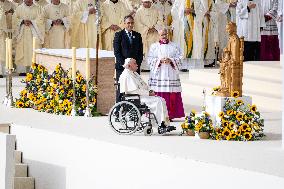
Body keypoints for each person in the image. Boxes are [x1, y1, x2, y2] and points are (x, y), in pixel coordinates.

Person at [119, 58, 175, 132]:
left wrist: (150, 90)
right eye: (135, 63)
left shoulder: (134, 73)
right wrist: (148, 93)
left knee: (161, 99)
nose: (137, 65)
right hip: (134, 97)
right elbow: (133, 90)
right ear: (129, 65)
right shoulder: (127, 74)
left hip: (140, 95)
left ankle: (164, 124)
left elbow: (144, 85)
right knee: (157, 101)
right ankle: (160, 125)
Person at [147, 28, 185, 121]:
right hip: (159, 74)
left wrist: (171, 60)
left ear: (168, 34)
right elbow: (149, 59)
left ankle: (170, 115)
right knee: (159, 94)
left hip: (171, 73)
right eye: (162, 35)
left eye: (165, 34)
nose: (164, 36)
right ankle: (157, 114)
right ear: (158, 36)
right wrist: (159, 60)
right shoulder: (154, 46)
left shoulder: (175, 46)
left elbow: (181, 57)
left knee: (171, 94)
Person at [113, 15, 143, 102]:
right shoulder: (118, 35)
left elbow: (140, 53)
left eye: (132, 23)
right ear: (124, 24)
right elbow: (117, 52)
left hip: (134, 68)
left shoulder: (138, 35)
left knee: (135, 89)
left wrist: (136, 65)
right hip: (122, 68)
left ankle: (134, 109)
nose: (130, 25)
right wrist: (125, 64)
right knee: (121, 90)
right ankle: (119, 110)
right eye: (128, 23)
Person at [13, 0, 44, 75]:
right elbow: (14, 20)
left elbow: (41, 21)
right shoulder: (19, 8)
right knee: (22, 51)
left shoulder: (38, 8)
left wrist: (32, 22)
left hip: (34, 34)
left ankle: (34, 70)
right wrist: (22, 21)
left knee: (33, 50)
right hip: (22, 34)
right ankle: (22, 71)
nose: (28, 0)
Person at [134, 0, 163, 71]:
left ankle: (155, 66)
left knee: (155, 50)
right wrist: (147, 29)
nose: (147, 4)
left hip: (154, 34)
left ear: (151, 2)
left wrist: (155, 27)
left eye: (148, 2)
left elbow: (160, 20)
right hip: (144, 35)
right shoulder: (139, 11)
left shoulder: (156, 10)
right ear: (142, 2)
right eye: (145, 2)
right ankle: (145, 67)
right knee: (144, 50)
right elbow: (137, 23)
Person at [192, 0, 218, 68]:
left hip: (208, 22)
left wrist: (210, 13)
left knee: (209, 41)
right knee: (200, 42)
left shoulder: (210, 1)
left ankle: (208, 61)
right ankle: (200, 61)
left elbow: (215, 12)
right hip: (199, 23)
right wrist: (203, 13)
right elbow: (194, 10)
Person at [0, 0, 14, 78]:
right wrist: (4, 13)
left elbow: (16, 16)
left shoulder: (10, 4)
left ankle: (4, 71)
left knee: (4, 52)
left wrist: (11, 13)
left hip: (5, 32)